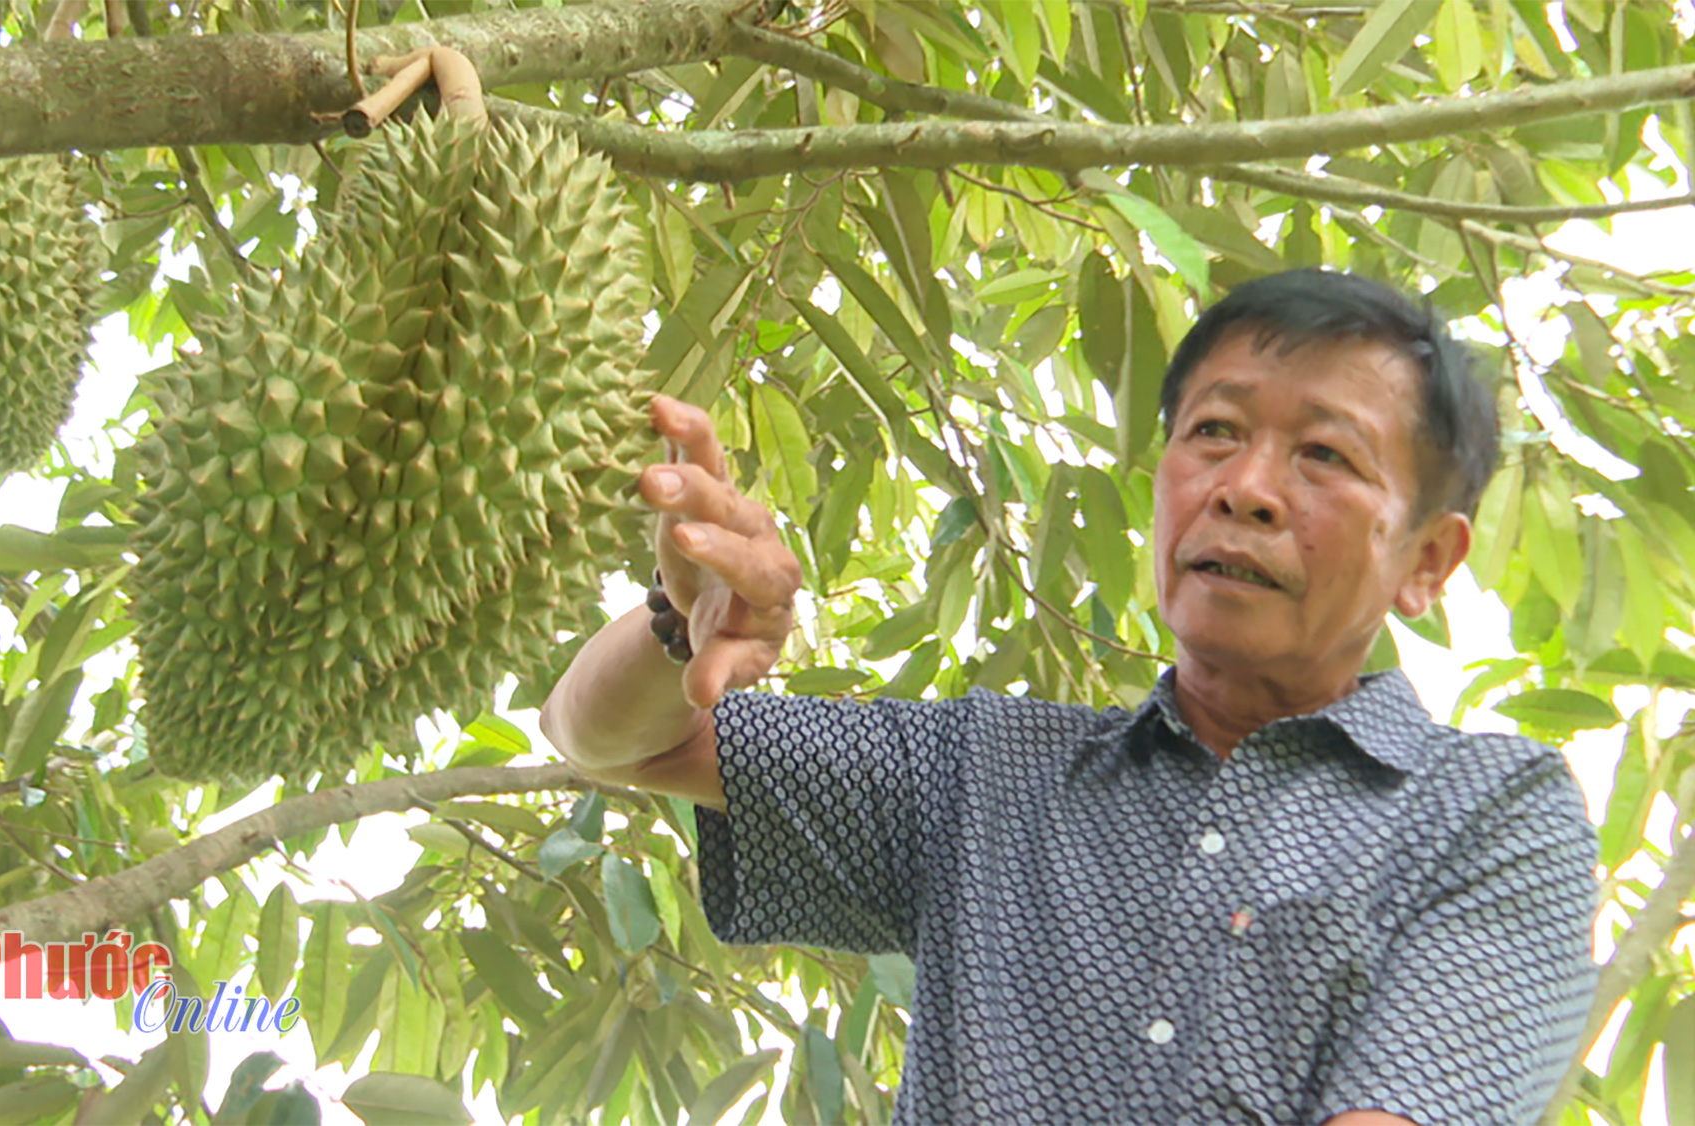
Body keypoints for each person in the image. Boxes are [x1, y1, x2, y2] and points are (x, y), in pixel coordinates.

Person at [539, 269, 1599, 1125]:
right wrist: (681, 628)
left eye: (1323, 454)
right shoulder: (989, 771)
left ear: (1426, 559)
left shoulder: (1488, 814)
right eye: (1212, 432)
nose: (1244, 487)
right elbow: (608, 740)